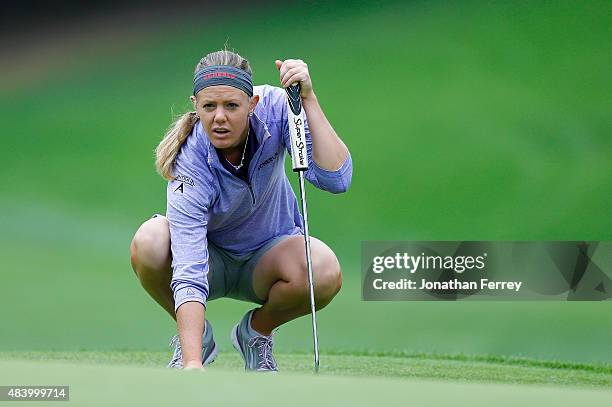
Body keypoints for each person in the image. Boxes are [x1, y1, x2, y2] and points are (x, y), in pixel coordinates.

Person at [129, 49, 352, 372]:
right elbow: (189, 266)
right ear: (196, 106)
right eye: (209, 107)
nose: (219, 117)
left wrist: (309, 99)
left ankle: (256, 332)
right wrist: (192, 364)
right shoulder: (189, 159)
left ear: (252, 105)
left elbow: (336, 178)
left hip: (269, 258)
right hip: (211, 262)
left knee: (324, 270)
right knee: (149, 240)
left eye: (231, 106)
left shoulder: (278, 108)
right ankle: (195, 337)